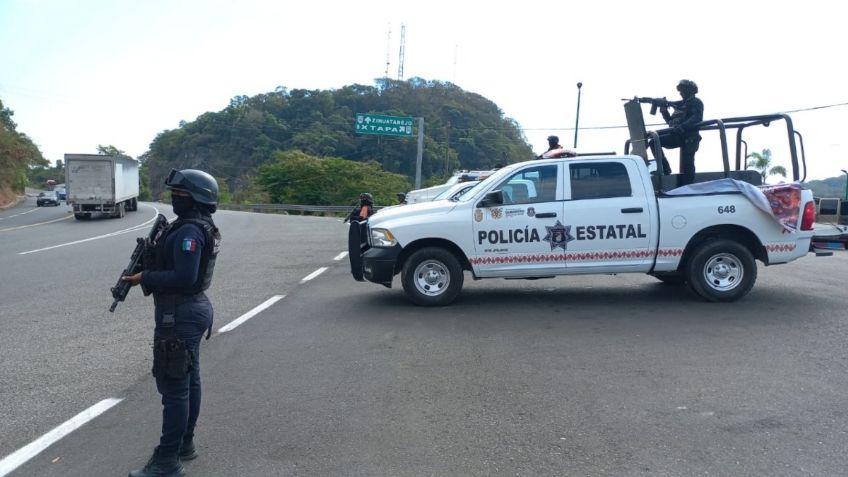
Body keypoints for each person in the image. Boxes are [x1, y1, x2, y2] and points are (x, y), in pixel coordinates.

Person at [124, 169, 222, 477]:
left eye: (178, 195)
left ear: (194, 198)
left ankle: (167, 461)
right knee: (188, 381)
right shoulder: (191, 226)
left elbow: (185, 277)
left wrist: (146, 276)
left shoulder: (190, 232)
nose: (173, 199)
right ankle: (184, 444)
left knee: (175, 386)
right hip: (189, 310)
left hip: (180, 314)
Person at [649, 79, 704, 186]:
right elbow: (671, 122)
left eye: (683, 90)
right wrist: (664, 112)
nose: (681, 93)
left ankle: (688, 186)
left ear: (689, 90)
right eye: (680, 90)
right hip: (677, 136)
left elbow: (697, 118)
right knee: (654, 142)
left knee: (687, 164)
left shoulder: (696, 102)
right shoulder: (681, 105)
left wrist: (682, 126)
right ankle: (665, 169)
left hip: (689, 137)